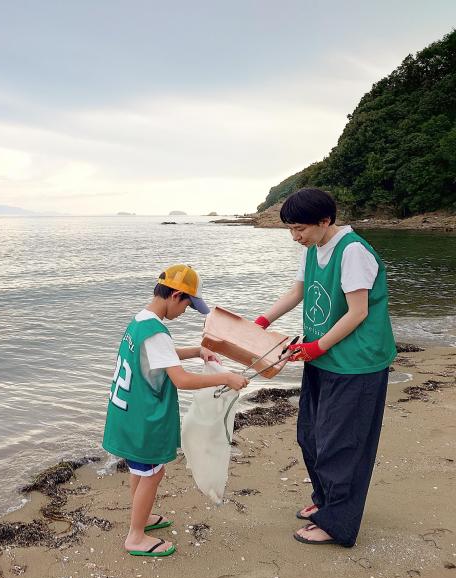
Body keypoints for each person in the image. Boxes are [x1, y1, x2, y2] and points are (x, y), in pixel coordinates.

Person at [254, 188, 396, 547]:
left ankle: (337, 523)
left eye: (299, 228)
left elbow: (358, 311)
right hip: (322, 357)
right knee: (312, 436)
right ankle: (325, 502)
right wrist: (260, 321)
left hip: (357, 364)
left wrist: (316, 346)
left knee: (342, 444)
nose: (294, 236)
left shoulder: (353, 252)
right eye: (290, 229)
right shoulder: (316, 248)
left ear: (325, 220)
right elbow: (297, 291)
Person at [102, 264, 249, 557]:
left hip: (124, 414)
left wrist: (197, 350)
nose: (185, 312)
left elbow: (160, 355)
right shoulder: (157, 332)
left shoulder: (139, 322)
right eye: (187, 306)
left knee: (140, 469)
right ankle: (136, 536)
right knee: (153, 473)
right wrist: (226, 378)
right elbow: (180, 379)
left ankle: (140, 518)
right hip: (142, 419)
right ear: (176, 296)